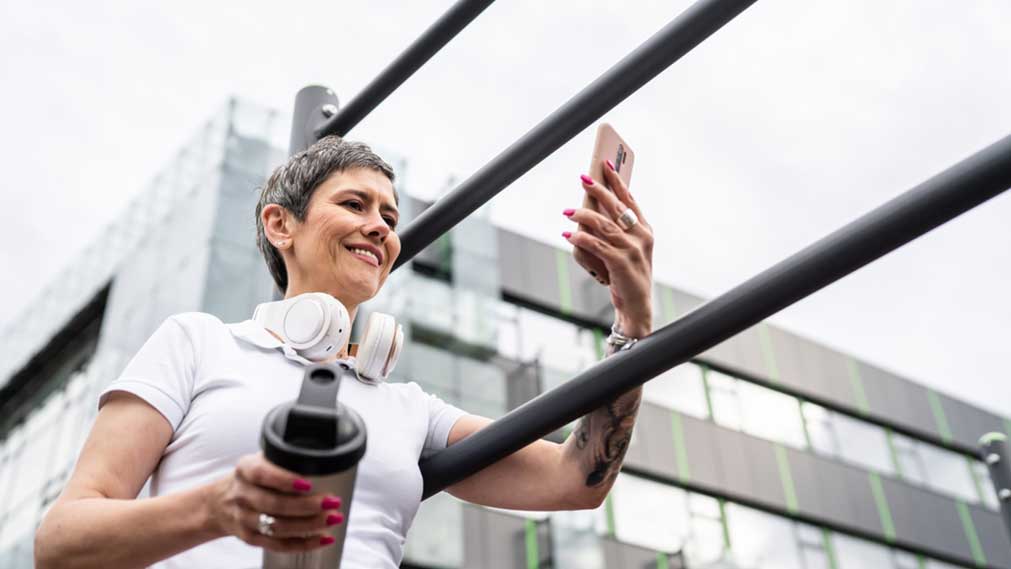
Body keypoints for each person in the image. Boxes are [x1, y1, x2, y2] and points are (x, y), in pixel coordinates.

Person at [34, 136, 655, 569]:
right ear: (282, 226)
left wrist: (633, 320)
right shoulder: (198, 344)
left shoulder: (412, 410)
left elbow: (576, 479)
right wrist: (214, 509)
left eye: (390, 215)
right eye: (354, 205)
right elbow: (61, 543)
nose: (383, 227)